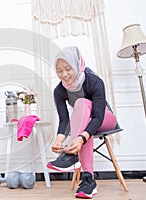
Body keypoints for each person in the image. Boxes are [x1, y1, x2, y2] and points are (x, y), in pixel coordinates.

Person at [47, 46, 117, 199]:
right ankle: (88, 182)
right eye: (59, 71)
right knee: (85, 126)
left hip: (105, 118)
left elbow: (98, 117)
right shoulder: (59, 91)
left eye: (68, 68)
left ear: (77, 64)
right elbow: (64, 119)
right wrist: (59, 140)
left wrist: (79, 139)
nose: (64, 75)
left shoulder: (94, 81)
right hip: (86, 124)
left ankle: (72, 156)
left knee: (81, 103)